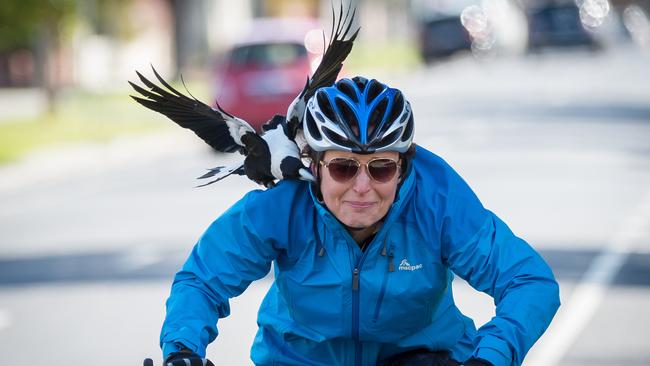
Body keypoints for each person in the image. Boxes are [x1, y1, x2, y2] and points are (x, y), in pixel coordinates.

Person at [159, 77, 560, 366]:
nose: (363, 187)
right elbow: (202, 280)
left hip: (420, 357)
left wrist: (489, 357)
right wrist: (182, 350)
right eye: (344, 168)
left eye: (382, 168)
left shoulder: (437, 199)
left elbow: (529, 282)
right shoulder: (281, 206)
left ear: (404, 167)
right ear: (314, 165)